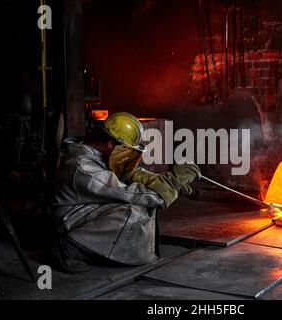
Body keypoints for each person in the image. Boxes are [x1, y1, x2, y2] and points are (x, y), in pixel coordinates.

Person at [50, 112, 200, 273]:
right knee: (133, 213)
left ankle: (90, 245)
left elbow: (127, 174)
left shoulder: (93, 151)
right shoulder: (84, 167)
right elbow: (129, 193)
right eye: (127, 150)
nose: (129, 154)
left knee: (139, 208)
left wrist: (159, 180)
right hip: (69, 218)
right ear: (110, 144)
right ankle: (68, 248)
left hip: (86, 206)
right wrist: (172, 185)